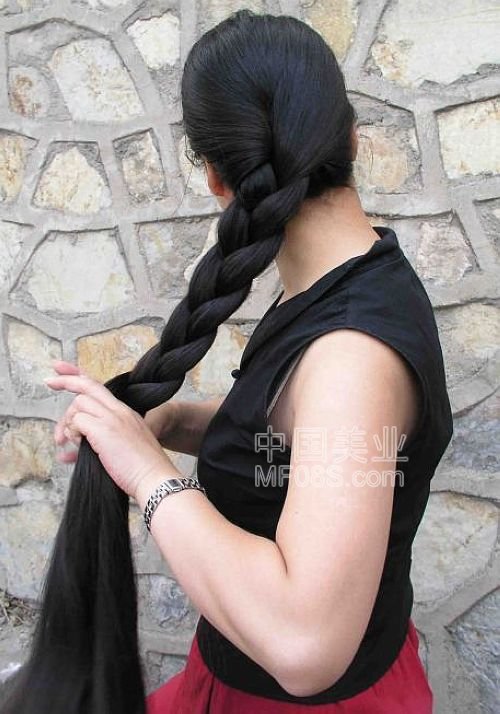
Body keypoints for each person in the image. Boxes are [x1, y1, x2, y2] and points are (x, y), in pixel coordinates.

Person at [8, 9, 452, 714]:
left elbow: (306, 643)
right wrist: (171, 422)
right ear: (350, 136)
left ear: (215, 177)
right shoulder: (346, 282)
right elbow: (301, 439)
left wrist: (147, 475)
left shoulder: (351, 357)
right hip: (233, 677)